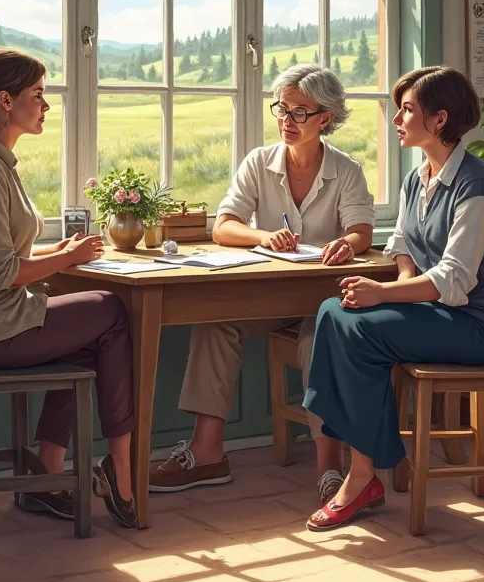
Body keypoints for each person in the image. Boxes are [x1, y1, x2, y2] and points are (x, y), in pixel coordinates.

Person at [304, 66, 484, 530]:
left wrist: (385, 293)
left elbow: (454, 278)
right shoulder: (417, 177)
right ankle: (367, 469)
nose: (397, 119)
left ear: (440, 118)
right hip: (444, 311)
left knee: (359, 327)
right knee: (333, 311)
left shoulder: (477, 185)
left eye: (407, 109)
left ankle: (363, 474)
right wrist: (398, 289)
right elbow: (404, 246)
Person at [150, 63, 375, 504]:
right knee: (215, 323)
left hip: (324, 301)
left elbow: (362, 232)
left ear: (325, 118)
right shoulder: (259, 161)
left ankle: (330, 466)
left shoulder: (346, 170)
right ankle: (207, 452)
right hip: (272, 295)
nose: (287, 121)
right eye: (282, 110)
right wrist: (263, 236)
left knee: (320, 339)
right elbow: (225, 226)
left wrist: (347, 245)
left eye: (300, 113)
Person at [0, 49, 137, 529]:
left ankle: (50, 472)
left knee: (94, 334)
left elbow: (1, 260)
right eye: (38, 95)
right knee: (110, 310)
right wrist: (67, 258)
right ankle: (121, 471)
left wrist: (58, 250)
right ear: (6, 101)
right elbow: (1, 273)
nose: (46, 105)